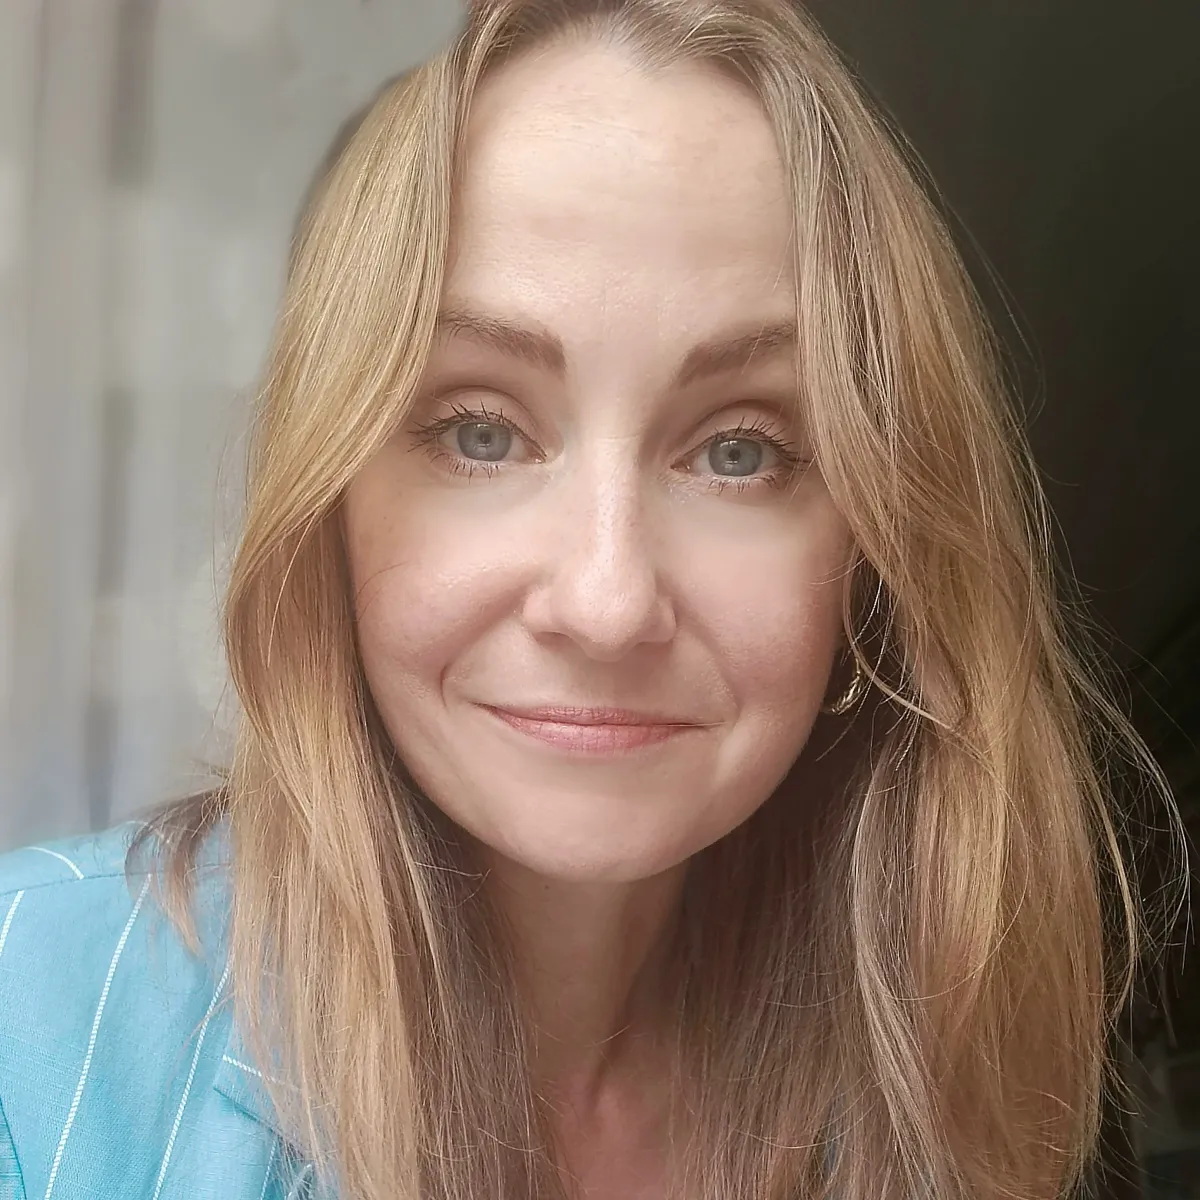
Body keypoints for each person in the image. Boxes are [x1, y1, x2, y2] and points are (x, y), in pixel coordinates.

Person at [0, 1, 1184, 1197]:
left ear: (874, 551)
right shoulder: (26, 1025)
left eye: (739, 450)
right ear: (332, 498)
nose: (608, 602)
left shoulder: (961, 1070)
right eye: (480, 431)